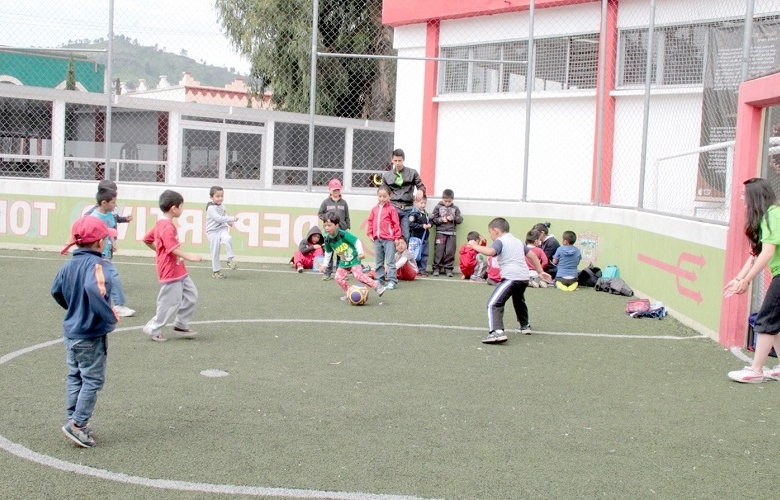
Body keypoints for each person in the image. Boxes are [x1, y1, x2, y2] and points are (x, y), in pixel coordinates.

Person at [52, 216, 119, 448]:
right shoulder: (98, 266)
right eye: (106, 239)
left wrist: (72, 308)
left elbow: (56, 291)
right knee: (92, 379)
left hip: (71, 331)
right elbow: (93, 288)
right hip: (90, 335)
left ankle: (74, 418)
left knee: (75, 376)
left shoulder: (68, 265)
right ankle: (78, 424)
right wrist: (109, 316)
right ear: (100, 242)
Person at [726, 178, 780, 383]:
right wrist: (738, 278)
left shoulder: (773, 215)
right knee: (773, 321)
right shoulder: (766, 217)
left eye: (743, 194)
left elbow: (767, 253)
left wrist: (747, 281)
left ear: (755, 196)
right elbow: (755, 254)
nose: (741, 198)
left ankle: (756, 370)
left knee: (766, 320)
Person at [468, 217, 551, 344]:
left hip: (511, 278)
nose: (490, 235)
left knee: (494, 304)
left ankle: (497, 332)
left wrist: (474, 245)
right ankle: (525, 326)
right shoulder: (517, 241)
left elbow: (490, 252)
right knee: (518, 300)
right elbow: (533, 255)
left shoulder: (500, 241)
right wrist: (540, 272)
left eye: (490, 232)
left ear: (495, 231)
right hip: (523, 278)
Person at [142, 190, 202, 343]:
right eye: (181, 206)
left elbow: (147, 239)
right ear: (174, 208)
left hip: (179, 269)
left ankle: (181, 325)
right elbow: (171, 248)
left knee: (191, 295)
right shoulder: (167, 226)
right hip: (170, 271)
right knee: (169, 302)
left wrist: (159, 251)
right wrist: (190, 257)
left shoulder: (161, 223)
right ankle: (154, 328)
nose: (182, 209)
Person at [89, 186, 135, 317]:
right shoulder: (93, 218)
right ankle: (119, 305)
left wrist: (113, 243)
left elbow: (108, 231)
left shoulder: (108, 215)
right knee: (113, 276)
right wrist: (98, 251)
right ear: (104, 203)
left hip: (106, 251)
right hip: (98, 254)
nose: (115, 205)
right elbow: (91, 237)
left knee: (98, 279)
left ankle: (92, 304)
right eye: (113, 202)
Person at [319, 211, 386, 300]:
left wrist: (360, 252)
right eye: (325, 225)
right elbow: (328, 252)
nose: (327, 228)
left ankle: (377, 286)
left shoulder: (343, 234)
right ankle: (349, 293)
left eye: (329, 225)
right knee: (338, 278)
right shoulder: (327, 239)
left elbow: (356, 241)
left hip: (354, 258)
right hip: (344, 261)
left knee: (358, 275)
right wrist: (325, 265)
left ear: (336, 225)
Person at [381, 148, 426, 240]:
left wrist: (420, 191)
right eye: (395, 160)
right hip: (393, 208)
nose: (397, 163)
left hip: (407, 208)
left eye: (400, 160)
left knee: (406, 235)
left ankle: (405, 254)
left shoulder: (412, 173)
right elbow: (383, 191)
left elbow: (421, 186)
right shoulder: (386, 176)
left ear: (403, 160)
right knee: (391, 234)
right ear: (392, 160)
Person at [367, 186, 402, 289]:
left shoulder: (392, 209)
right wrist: (370, 233)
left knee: (390, 261)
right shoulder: (374, 209)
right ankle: (379, 279)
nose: (382, 198)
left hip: (389, 240)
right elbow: (370, 222)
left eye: (384, 196)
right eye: (380, 196)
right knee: (378, 261)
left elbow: (396, 223)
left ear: (389, 196)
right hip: (377, 239)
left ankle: (392, 280)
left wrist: (396, 237)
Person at [318, 178, 350, 280]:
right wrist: (327, 220)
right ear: (330, 190)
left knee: (341, 252)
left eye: (338, 190)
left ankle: (341, 272)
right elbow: (320, 214)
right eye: (334, 190)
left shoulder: (344, 203)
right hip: (330, 233)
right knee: (329, 252)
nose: (336, 192)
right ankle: (328, 272)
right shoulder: (326, 202)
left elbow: (347, 216)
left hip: (341, 231)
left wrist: (347, 227)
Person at [206, 185, 239, 279]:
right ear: (211, 197)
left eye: (222, 196)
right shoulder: (210, 208)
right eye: (217, 196)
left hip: (222, 229)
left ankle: (230, 260)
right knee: (215, 251)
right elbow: (218, 218)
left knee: (228, 238)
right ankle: (216, 272)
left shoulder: (222, 205)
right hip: (212, 231)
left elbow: (223, 214)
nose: (220, 198)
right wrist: (232, 218)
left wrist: (229, 222)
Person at [430, 189, 463, 277]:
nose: (447, 203)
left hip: (452, 234)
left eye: (449, 201)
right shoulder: (438, 207)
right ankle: (436, 268)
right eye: (445, 201)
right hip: (440, 233)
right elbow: (433, 219)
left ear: (452, 200)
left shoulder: (455, 208)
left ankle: (448, 268)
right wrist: (441, 220)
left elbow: (460, 219)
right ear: (442, 198)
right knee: (439, 251)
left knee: (450, 251)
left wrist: (453, 217)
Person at [409, 195, 432, 276]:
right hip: (416, 238)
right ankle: (414, 269)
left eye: (425, 203)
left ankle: (422, 270)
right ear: (416, 203)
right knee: (415, 254)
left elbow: (430, 220)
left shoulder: (425, 213)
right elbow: (411, 224)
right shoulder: (413, 214)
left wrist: (430, 224)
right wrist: (421, 226)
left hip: (425, 237)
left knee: (424, 253)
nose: (423, 205)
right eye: (421, 203)